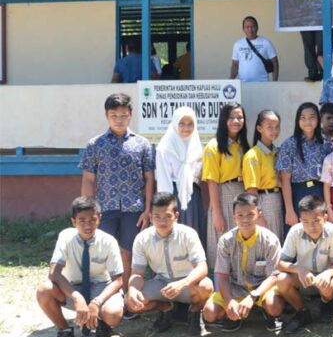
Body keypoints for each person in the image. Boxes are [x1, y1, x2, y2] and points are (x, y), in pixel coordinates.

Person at [80, 93, 154, 304]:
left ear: (130, 115)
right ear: (106, 116)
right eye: (114, 115)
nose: (119, 119)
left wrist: (148, 209)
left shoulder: (142, 144)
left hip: (134, 209)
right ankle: (106, 297)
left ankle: (129, 297)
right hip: (104, 208)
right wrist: (87, 211)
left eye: (123, 115)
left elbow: (149, 179)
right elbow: (88, 179)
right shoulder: (95, 144)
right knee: (104, 254)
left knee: (129, 252)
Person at [36, 197, 124, 337]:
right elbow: (54, 273)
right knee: (44, 290)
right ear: (73, 221)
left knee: (113, 314)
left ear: (100, 219)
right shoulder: (66, 237)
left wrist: (96, 302)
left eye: (92, 219)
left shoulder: (108, 241)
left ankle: (103, 322)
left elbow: (118, 280)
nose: (87, 225)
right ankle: (65, 332)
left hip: (100, 288)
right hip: (73, 287)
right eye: (81, 220)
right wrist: (76, 297)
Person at [125, 192, 212, 334]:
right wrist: (133, 290)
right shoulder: (142, 238)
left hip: (187, 284)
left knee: (206, 286)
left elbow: (202, 267)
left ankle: (195, 312)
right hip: (161, 284)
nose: (162, 222)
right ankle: (165, 308)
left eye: (167, 216)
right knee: (130, 301)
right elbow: (137, 274)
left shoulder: (188, 234)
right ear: (151, 217)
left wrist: (182, 283)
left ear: (176, 216)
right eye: (157, 217)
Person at [202, 193, 283, 333]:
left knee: (274, 307)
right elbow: (222, 275)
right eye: (240, 215)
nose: (245, 219)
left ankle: (265, 311)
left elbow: (274, 275)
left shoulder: (270, 240)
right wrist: (229, 301)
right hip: (236, 287)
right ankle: (235, 313)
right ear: (234, 217)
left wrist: (253, 296)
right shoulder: (226, 241)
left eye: (250, 214)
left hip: (261, 288)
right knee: (209, 313)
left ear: (259, 214)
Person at [277, 196, 333, 333]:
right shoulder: (295, 231)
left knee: (330, 286)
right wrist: (299, 269)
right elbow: (280, 263)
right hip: (303, 278)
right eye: (305, 222)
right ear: (300, 220)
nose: (311, 226)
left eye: (316, 221)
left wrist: (327, 273)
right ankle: (302, 311)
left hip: (325, 277)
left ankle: (326, 303)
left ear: (325, 218)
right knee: (282, 279)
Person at [203, 102, 250, 269]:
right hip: (223, 196)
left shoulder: (243, 145)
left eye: (239, 117)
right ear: (223, 120)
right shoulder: (214, 146)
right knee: (222, 240)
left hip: (242, 195)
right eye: (231, 118)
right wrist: (217, 213)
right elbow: (212, 181)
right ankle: (219, 285)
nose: (236, 121)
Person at [155, 107, 205, 247]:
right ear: (175, 124)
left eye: (190, 124)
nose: (186, 128)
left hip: (193, 196)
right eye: (182, 123)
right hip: (173, 197)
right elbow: (164, 182)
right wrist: (166, 207)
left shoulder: (197, 147)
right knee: (174, 237)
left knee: (193, 234)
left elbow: (198, 177)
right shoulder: (165, 148)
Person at [278, 103, 328, 228]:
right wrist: (289, 210)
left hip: (319, 192)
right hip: (297, 193)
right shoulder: (289, 144)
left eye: (312, 117)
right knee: (297, 232)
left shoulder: (325, 144)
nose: (308, 121)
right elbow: (285, 180)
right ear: (297, 120)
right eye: (303, 118)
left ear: (318, 119)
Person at [244, 110, 284, 240]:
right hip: (264, 200)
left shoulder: (277, 152)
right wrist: (258, 216)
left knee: (278, 239)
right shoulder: (253, 155)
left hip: (278, 199)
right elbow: (251, 189)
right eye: (269, 127)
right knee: (267, 239)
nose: (274, 130)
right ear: (259, 128)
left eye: (277, 127)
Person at [230, 16, 278, 82]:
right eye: (247, 27)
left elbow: (275, 62)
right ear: (243, 29)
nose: (250, 29)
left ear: (257, 28)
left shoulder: (266, 42)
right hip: (243, 84)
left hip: (262, 84)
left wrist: (274, 82)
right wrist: (230, 81)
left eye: (253, 26)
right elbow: (235, 65)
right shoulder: (237, 44)